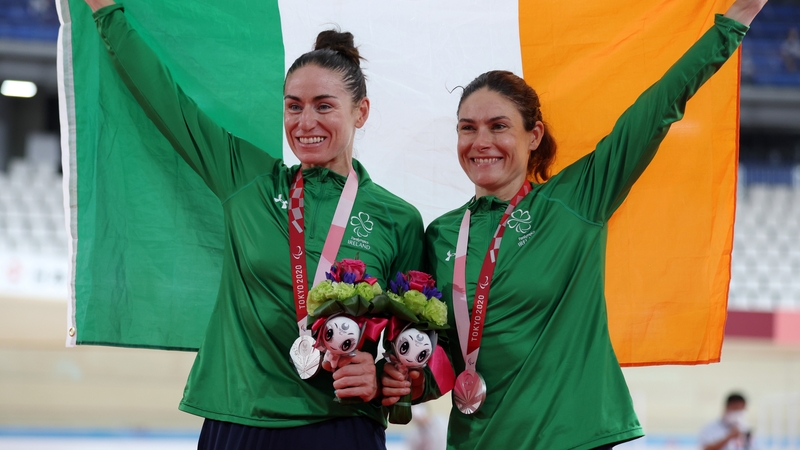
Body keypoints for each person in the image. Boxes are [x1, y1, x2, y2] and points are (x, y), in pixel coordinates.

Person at [382, 0, 767, 448]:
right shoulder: (444, 234)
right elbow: (446, 351)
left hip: (572, 438)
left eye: (498, 126)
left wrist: (733, 23)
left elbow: (658, 106)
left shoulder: (576, 199)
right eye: (467, 128)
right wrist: (413, 382)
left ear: (534, 136)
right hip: (478, 440)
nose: (481, 141)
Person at [81, 0, 424, 448]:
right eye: (293, 106)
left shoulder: (397, 218)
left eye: (324, 106)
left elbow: (413, 353)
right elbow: (166, 98)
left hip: (342, 426)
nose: (306, 122)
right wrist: (107, 12)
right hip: (240, 418)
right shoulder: (248, 183)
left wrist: (381, 379)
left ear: (360, 112)